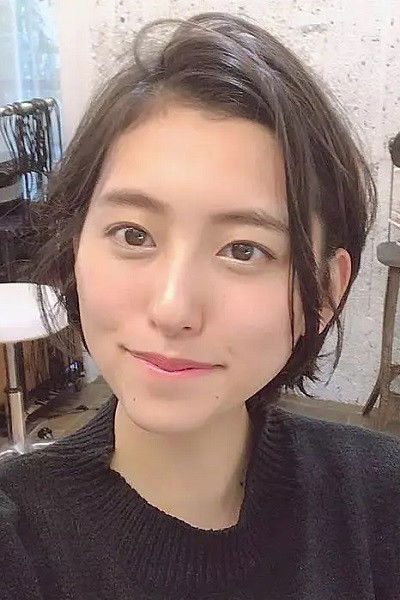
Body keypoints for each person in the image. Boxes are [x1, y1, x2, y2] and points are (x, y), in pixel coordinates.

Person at [0, 11, 398, 600]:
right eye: (134, 234)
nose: (173, 308)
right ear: (74, 247)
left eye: (244, 249)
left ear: (327, 291)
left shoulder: (380, 505)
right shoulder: (18, 545)